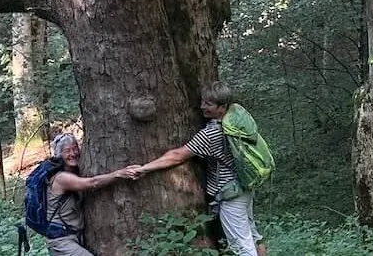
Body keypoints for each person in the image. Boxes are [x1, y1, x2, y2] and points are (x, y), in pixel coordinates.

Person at [133, 82, 267, 256]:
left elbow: (177, 155)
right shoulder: (237, 120)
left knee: (241, 246)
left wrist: (145, 168)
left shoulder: (212, 134)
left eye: (209, 104)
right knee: (253, 236)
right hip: (245, 187)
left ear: (222, 107)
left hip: (230, 194)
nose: (202, 107)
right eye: (203, 101)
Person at [43, 132, 139, 256]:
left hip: (74, 237)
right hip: (61, 241)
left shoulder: (75, 172)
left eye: (75, 148)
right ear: (59, 155)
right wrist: (119, 174)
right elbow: (93, 182)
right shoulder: (61, 178)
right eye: (67, 151)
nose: (73, 154)